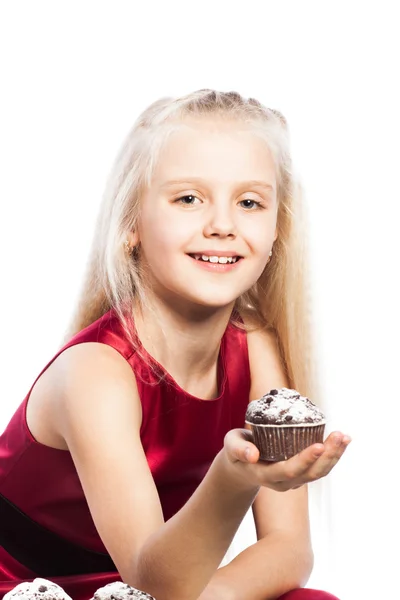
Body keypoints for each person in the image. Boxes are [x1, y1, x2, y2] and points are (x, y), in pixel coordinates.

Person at [0, 89, 350, 600]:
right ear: (131, 227)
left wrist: (209, 597)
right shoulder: (95, 372)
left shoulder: (256, 351)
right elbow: (152, 581)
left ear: (278, 230)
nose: (223, 225)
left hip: (165, 584)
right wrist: (232, 478)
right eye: (189, 198)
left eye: (249, 202)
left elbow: (290, 551)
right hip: (31, 586)